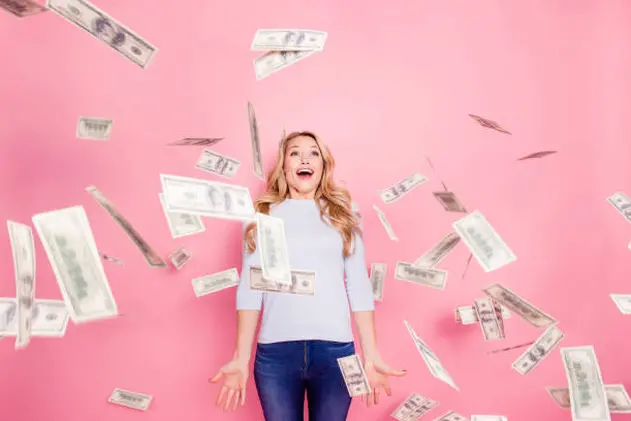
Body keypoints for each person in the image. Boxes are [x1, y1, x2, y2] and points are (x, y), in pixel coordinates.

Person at [210, 131, 406, 421]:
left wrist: (372, 354)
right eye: (295, 153)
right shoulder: (261, 214)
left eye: (313, 152)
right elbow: (250, 289)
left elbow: (358, 285)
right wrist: (240, 357)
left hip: (336, 353)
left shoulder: (343, 214)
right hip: (275, 355)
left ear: (323, 165)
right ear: (284, 166)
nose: (304, 158)